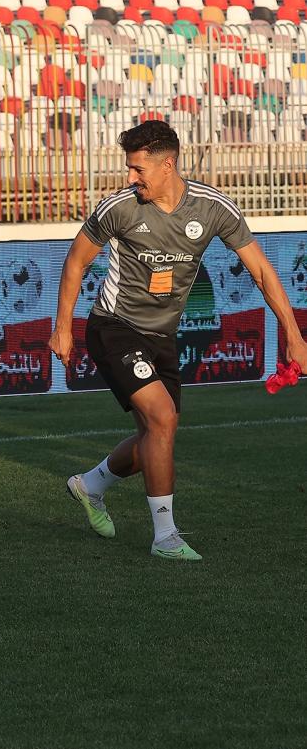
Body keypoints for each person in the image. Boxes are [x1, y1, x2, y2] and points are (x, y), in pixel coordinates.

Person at [49, 120, 307, 560]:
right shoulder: (119, 208)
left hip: (162, 336)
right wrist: (62, 328)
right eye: (129, 168)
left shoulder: (213, 208)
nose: (130, 177)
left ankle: (90, 485)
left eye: (138, 169)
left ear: (167, 165)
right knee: (163, 418)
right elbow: (76, 261)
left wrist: (294, 335)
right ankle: (165, 537)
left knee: (157, 434)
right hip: (113, 327)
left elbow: (262, 272)